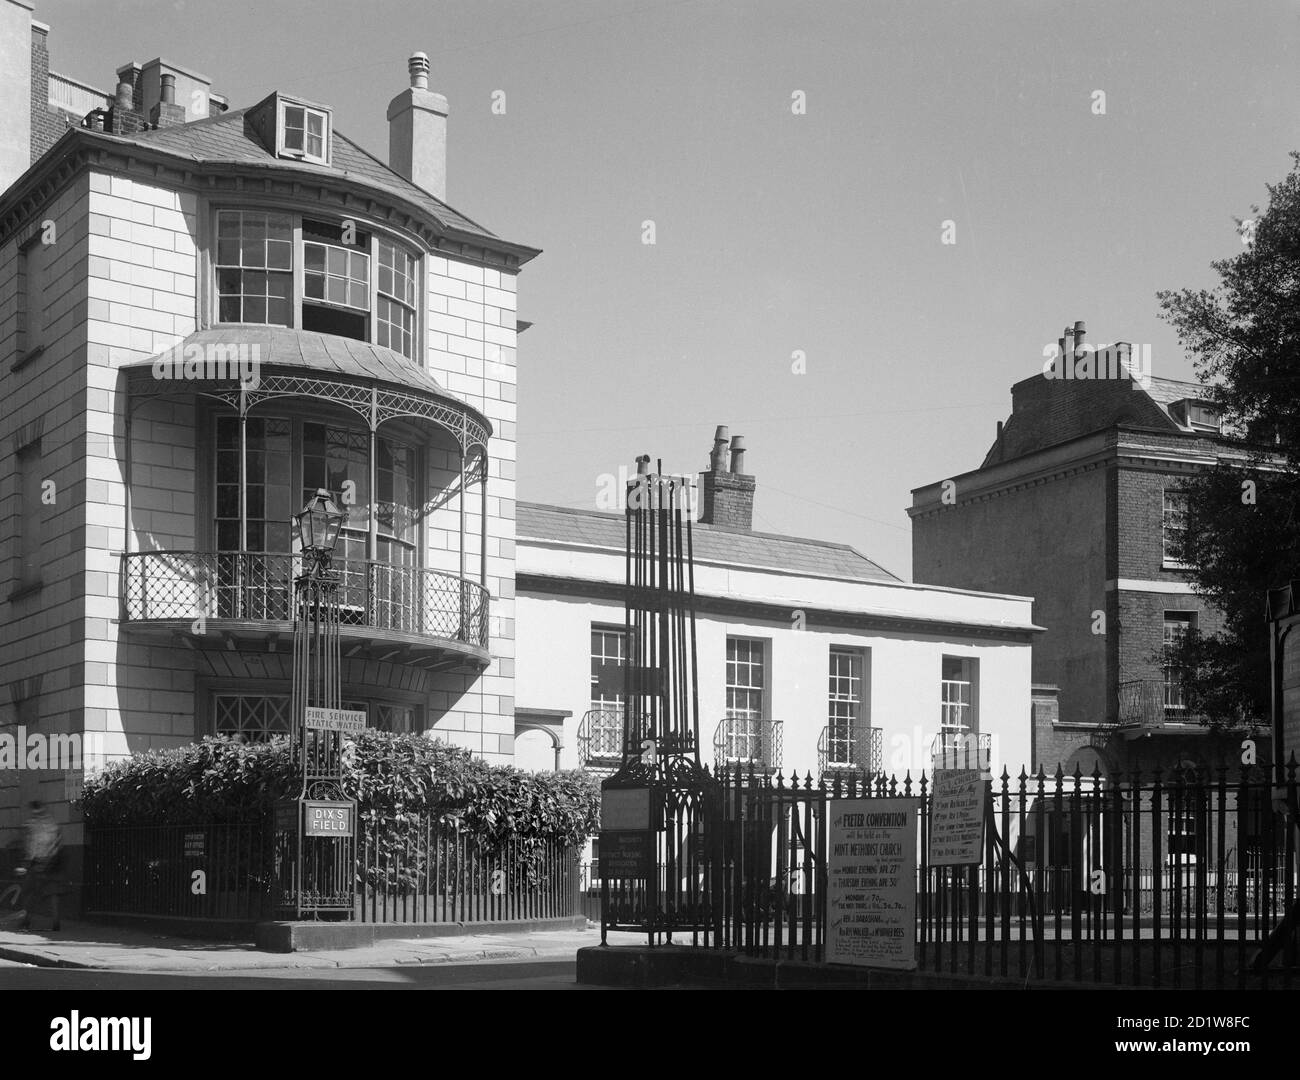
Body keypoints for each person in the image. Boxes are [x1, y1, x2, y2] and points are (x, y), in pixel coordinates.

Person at [15, 801, 61, 932]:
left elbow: (32, 846)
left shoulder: (33, 825)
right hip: (52, 863)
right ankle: (56, 922)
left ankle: (26, 921)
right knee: (52, 893)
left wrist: (26, 863)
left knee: (28, 892)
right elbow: (56, 843)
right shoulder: (52, 824)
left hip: (38, 862)